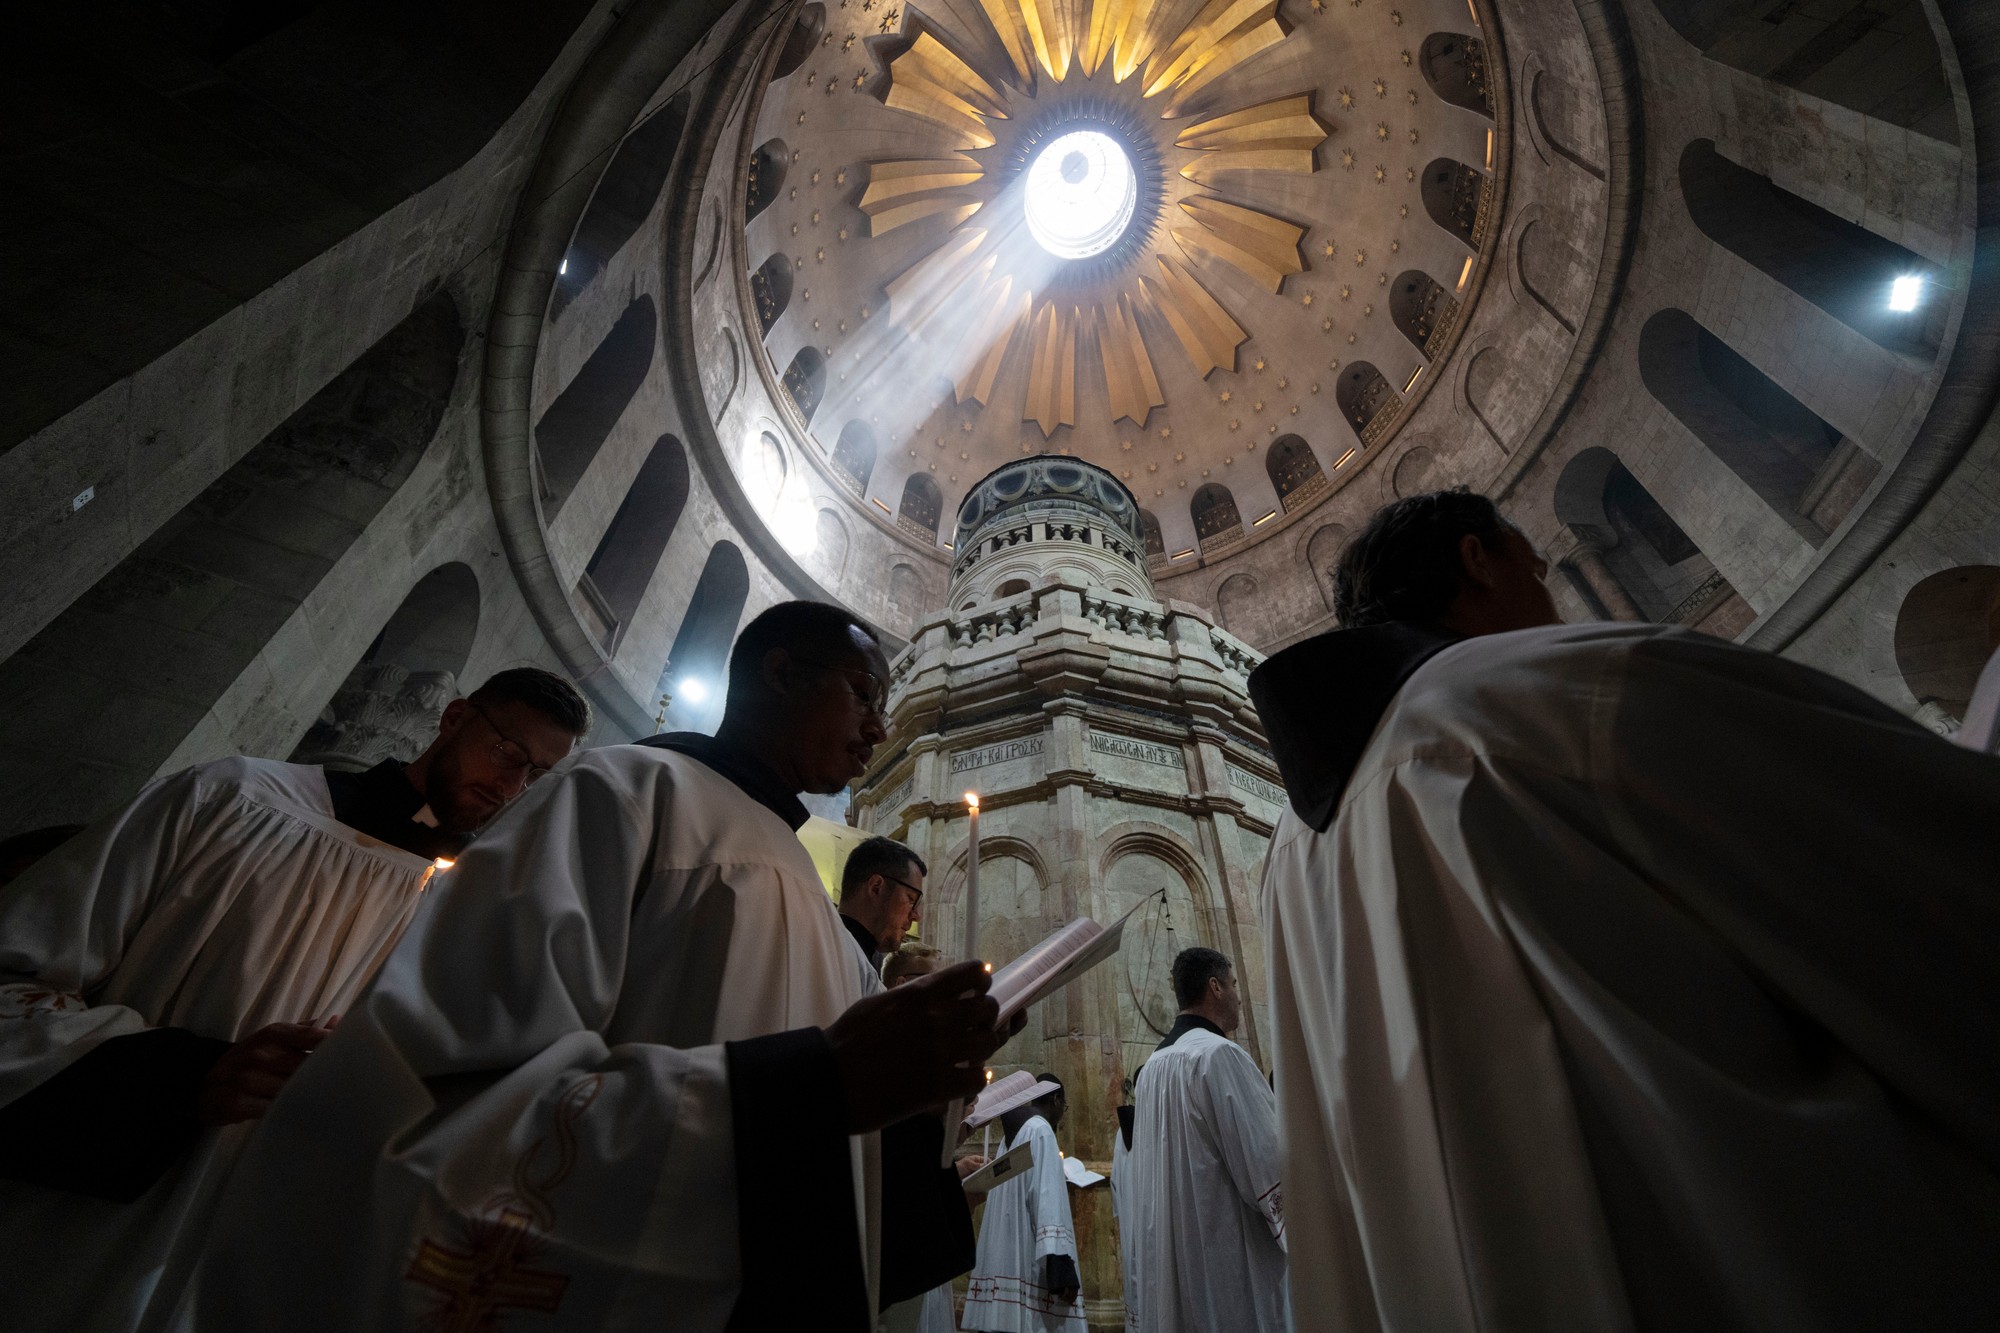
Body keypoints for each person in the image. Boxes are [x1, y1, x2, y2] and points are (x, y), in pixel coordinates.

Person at [1249, 488, 2000, 1332]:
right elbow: (1925, 892)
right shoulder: (1567, 689)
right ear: (1476, 559)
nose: (1549, 583)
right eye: (1534, 566)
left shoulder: (1291, 853)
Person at [198, 601, 1018, 1332]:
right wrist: (803, 1088)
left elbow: (843, 1187)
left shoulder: (816, 904)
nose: (879, 727)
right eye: (865, 695)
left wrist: (919, 1108)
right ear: (781, 673)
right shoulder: (621, 793)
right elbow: (440, 1107)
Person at [0, 666, 589, 1333]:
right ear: (454, 718)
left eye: (535, 775)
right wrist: (182, 1078)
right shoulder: (233, 798)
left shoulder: (475, 918)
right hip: (72, 1229)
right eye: (508, 753)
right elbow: (15, 980)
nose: (510, 786)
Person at [1126, 947, 1286, 1332]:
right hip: (1228, 1260)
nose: (1238, 997)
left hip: (1175, 1258)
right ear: (1215, 987)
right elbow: (1266, 1163)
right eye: (1233, 985)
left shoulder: (1153, 1067)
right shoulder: (1219, 1055)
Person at [962, 1076, 1086, 1332]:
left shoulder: (1013, 1135)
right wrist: (1060, 1265)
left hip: (1006, 1256)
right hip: (1030, 1256)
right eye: (1064, 1106)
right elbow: (1047, 1197)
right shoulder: (1040, 1130)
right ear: (1056, 1100)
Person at [842, 835, 928, 975]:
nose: (916, 916)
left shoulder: (867, 959)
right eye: (911, 899)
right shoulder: (826, 950)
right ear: (876, 887)